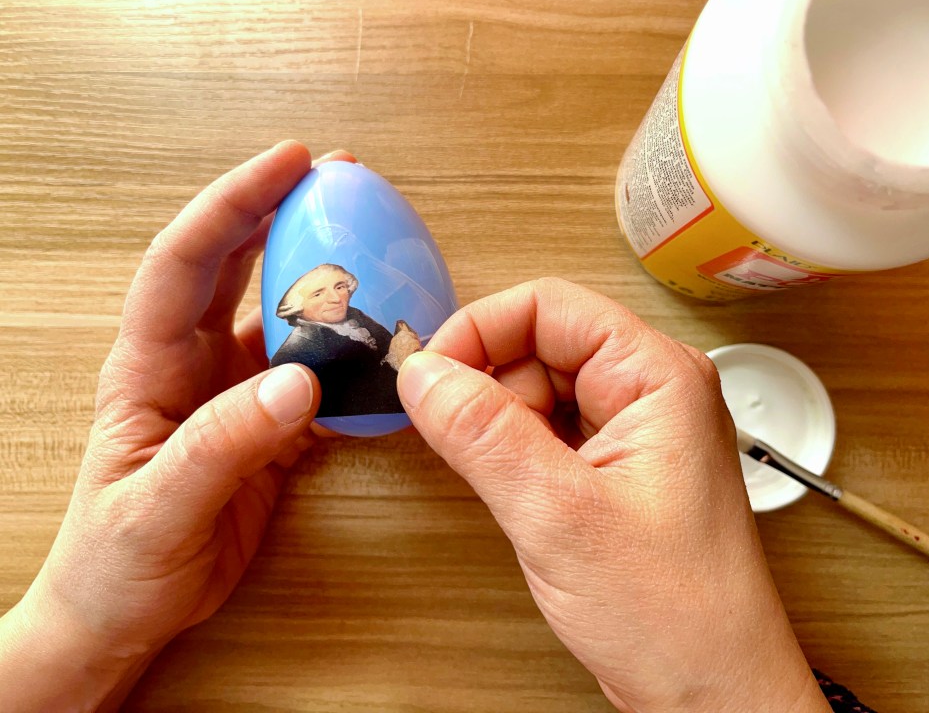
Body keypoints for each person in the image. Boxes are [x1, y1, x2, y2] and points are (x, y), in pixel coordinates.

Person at [0, 142, 875, 713]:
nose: (342, 291)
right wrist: (80, 626)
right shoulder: (302, 345)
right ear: (295, 305)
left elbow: (389, 341)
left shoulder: (353, 320)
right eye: (326, 288)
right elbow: (342, 367)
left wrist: (78, 636)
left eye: (344, 283)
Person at [270, 263, 421, 417]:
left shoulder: (356, 316)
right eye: (318, 294)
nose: (336, 299)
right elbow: (361, 408)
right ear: (297, 308)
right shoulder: (293, 355)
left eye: (340, 287)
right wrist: (396, 361)